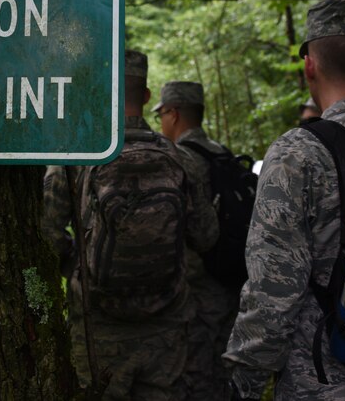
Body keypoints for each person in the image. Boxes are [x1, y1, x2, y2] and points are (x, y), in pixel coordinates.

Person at [223, 0, 345, 400]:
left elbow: (273, 293)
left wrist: (245, 383)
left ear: (309, 67)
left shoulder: (297, 155)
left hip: (329, 380)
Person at [44, 50, 218, 400]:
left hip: (98, 328)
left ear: (99, 91)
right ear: (147, 95)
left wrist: (78, 265)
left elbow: (47, 232)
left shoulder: (75, 157)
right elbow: (206, 237)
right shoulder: (181, 158)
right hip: (166, 326)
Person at [152, 80, 241, 401]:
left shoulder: (178, 158)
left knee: (197, 373)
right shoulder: (222, 152)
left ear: (173, 114)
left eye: (161, 115)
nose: (161, 123)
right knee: (226, 364)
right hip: (230, 276)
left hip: (194, 285)